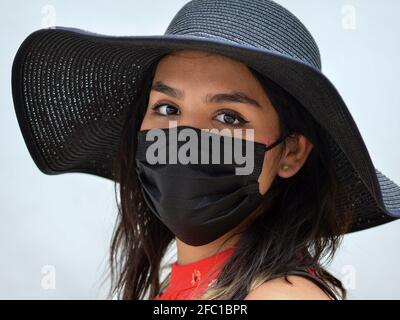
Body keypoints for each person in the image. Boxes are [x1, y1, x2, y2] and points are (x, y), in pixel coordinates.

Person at [11, 0, 400, 300]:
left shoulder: (281, 294)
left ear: (291, 153)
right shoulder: (180, 290)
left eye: (228, 117)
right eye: (167, 109)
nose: (185, 139)